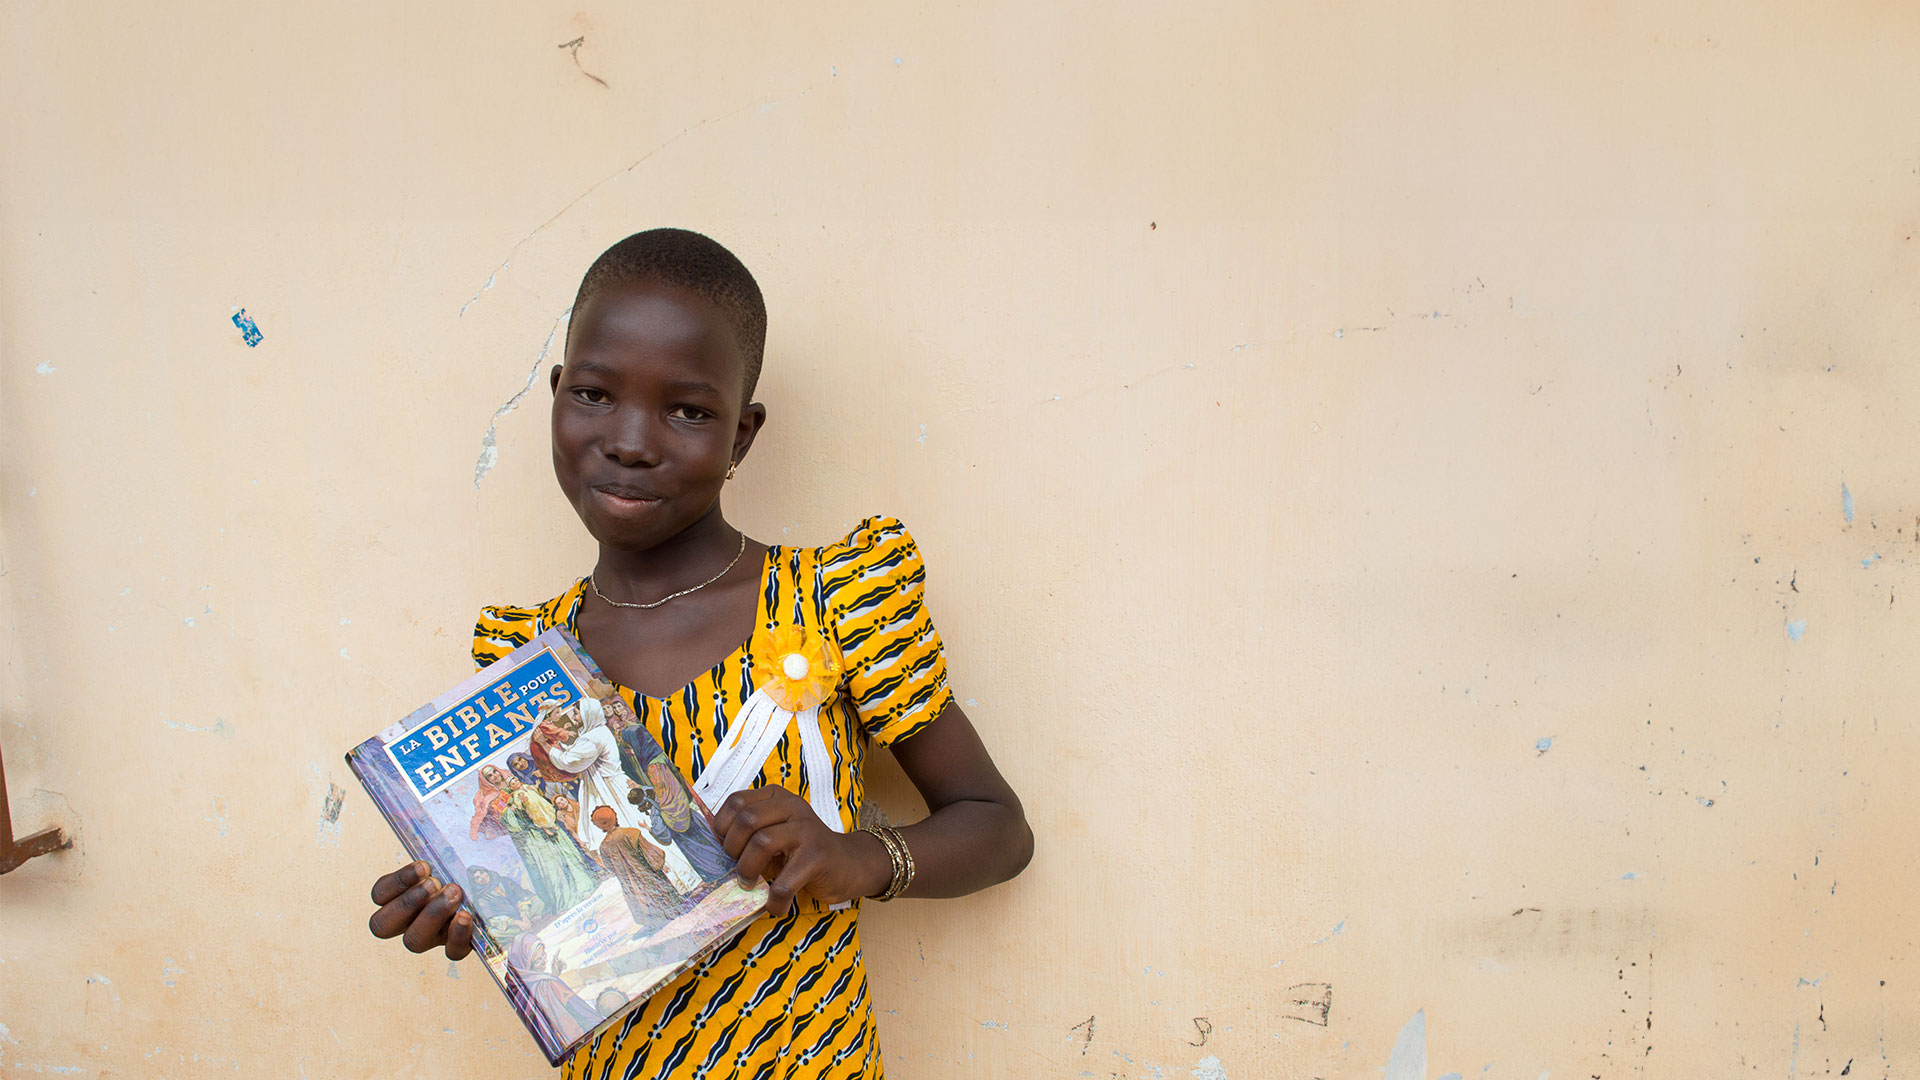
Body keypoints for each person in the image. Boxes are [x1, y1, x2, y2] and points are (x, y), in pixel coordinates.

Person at [367, 228, 1034, 1078]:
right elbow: (545, 899)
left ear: (743, 436)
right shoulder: (526, 662)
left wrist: (855, 855)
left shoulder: (833, 602)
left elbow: (998, 826)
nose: (633, 441)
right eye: (598, 395)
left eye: (688, 410)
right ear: (559, 395)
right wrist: (471, 897)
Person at [500, 777, 602, 914]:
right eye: (511, 783)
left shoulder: (529, 789)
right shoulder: (516, 797)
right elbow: (517, 813)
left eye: (515, 780)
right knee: (556, 866)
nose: (515, 783)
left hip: (549, 820)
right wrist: (521, 806)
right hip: (539, 831)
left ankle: (585, 886)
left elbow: (540, 798)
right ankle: (569, 898)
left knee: (570, 855)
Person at [590, 805, 681, 927]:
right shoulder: (632, 832)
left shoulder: (604, 847)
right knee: (667, 900)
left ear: (599, 825)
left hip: (630, 883)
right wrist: (660, 864)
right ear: (615, 817)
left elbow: (610, 868)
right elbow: (650, 852)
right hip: (648, 875)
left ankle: (654, 920)